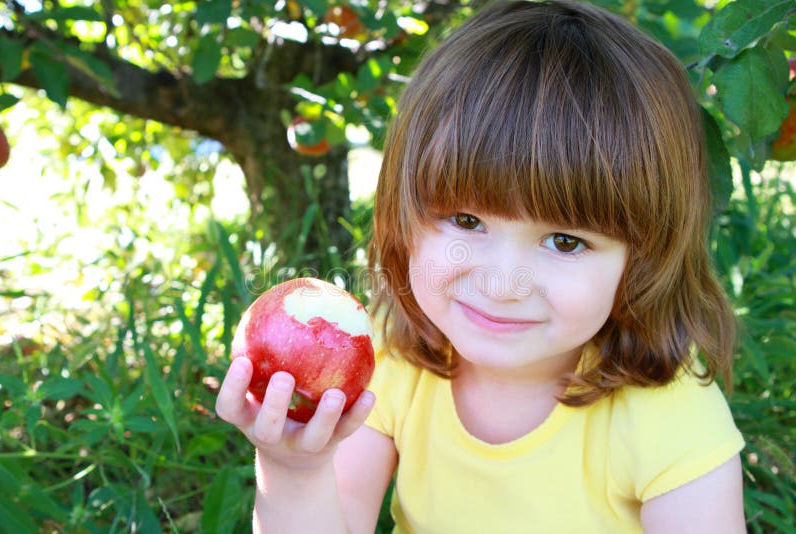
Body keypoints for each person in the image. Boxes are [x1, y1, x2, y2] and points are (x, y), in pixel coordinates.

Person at [215, 1, 747, 532]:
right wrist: (294, 470)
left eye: (564, 241)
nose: (501, 282)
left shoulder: (668, 419)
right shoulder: (387, 358)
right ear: (405, 211)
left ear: (646, 256)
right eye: (467, 221)